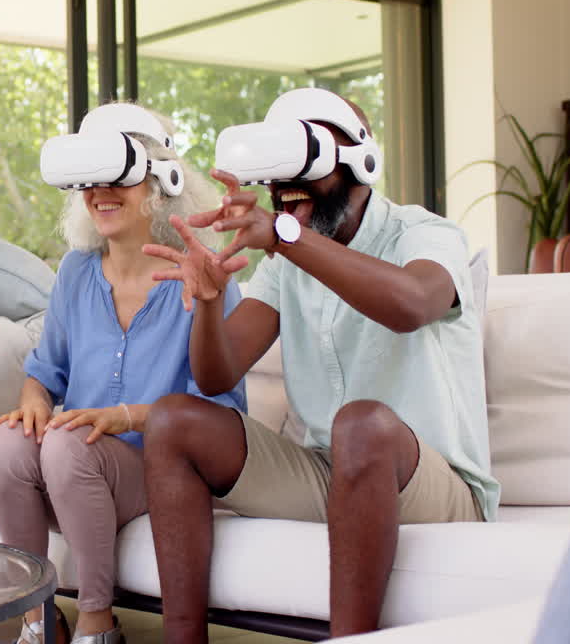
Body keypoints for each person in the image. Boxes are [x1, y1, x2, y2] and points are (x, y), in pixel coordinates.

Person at [142, 88, 499, 642]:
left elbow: (410, 305)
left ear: (361, 162)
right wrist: (209, 302)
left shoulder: (424, 233)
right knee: (172, 420)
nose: (289, 182)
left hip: (436, 484)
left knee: (361, 425)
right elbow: (216, 375)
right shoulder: (287, 260)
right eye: (281, 165)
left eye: (308, 161)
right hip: (331, 473)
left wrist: (286, 237)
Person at [0, 103, 247, 644]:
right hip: (74, 471)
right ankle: (39, 622)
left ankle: (98, 623)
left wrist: (123, 416)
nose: (100, 193)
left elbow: (221, 413)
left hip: (162, 473)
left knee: (67, 445)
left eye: (117, 176)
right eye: (90, 180)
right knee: (6, 444)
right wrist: (33, 404)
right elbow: (44, 373)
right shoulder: (76, 272)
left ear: (162, 182)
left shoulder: (202, 278)